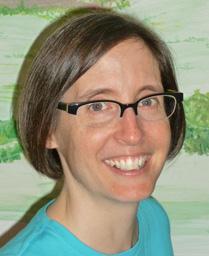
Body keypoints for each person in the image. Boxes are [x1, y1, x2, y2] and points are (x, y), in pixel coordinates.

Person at [0, 6, 185, 256]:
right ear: (47, 129)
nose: (132, 133)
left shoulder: (152, 218)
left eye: (148, 100)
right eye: (98, 106)